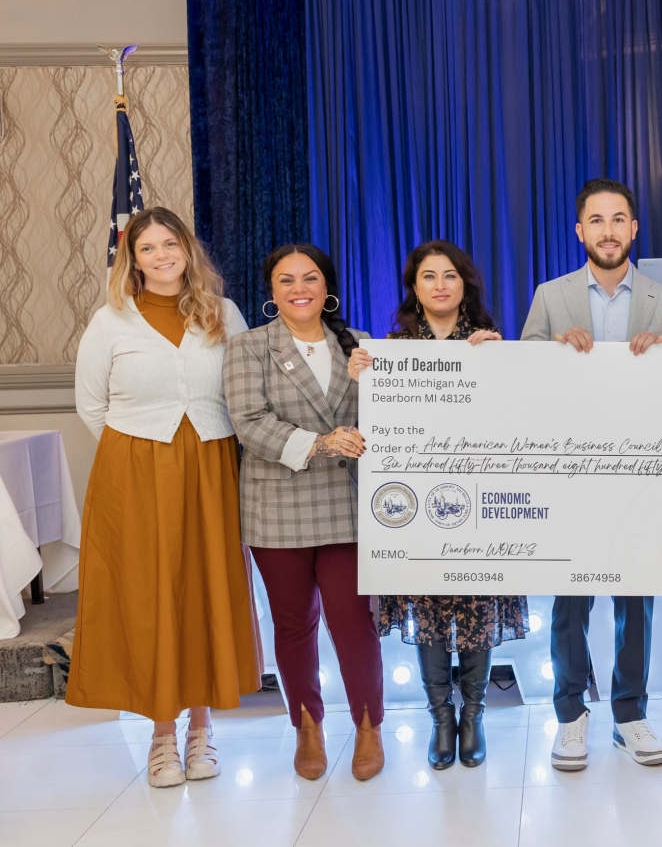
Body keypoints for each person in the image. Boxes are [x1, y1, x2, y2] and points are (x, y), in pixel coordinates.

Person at [71, 207, 261, 788]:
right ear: (132, 258)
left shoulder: (223, 313)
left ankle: (201, 732)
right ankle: (160, 738)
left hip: (211, 466)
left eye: (169, 244)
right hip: (134, 475)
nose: (160, 256)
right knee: (152, 595)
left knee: (204, 588)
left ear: (187, 249)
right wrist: (142, 455)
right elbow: (91, 405)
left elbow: (251, 386)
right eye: (147, 248)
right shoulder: (111, 320)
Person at [520, 177, 662, 770]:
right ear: (580, 230)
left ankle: (630, 714)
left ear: (634, 229)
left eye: (619, 219)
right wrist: (551, 355)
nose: (609, 231)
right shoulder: (550, 296)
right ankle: (571, 716)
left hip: (641, 475)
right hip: (571, 477)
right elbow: (524, 388)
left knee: (635, 602)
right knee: (569, 602)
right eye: (597, 220)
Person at [347, 241, 526, 770]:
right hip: (418, 506)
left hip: (480, 498)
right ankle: (441, 719)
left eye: (451, 275)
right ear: (415, 288)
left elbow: (519, 419)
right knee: (428, 612)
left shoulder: (492, 346)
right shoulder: (394, 351)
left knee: (476, 607)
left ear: (465, 283)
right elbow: (370, 430)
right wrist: (363, 380)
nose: (441, 284)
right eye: (429, 276)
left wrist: (503, 367)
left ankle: (473, 716)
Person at [224, 244, 385, 781]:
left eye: (310, 278)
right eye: (286, 279)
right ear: (271, 291)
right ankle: (308, 728)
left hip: (346, 505)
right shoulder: (248, 347)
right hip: (277, 508)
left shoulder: (358, 344)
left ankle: (368, 727)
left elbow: (385, 424)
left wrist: (372, 388)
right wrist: (320, 444)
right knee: (294, 626)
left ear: (327, 285)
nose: (299, 288)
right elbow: (249, 423)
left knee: (354, 623)